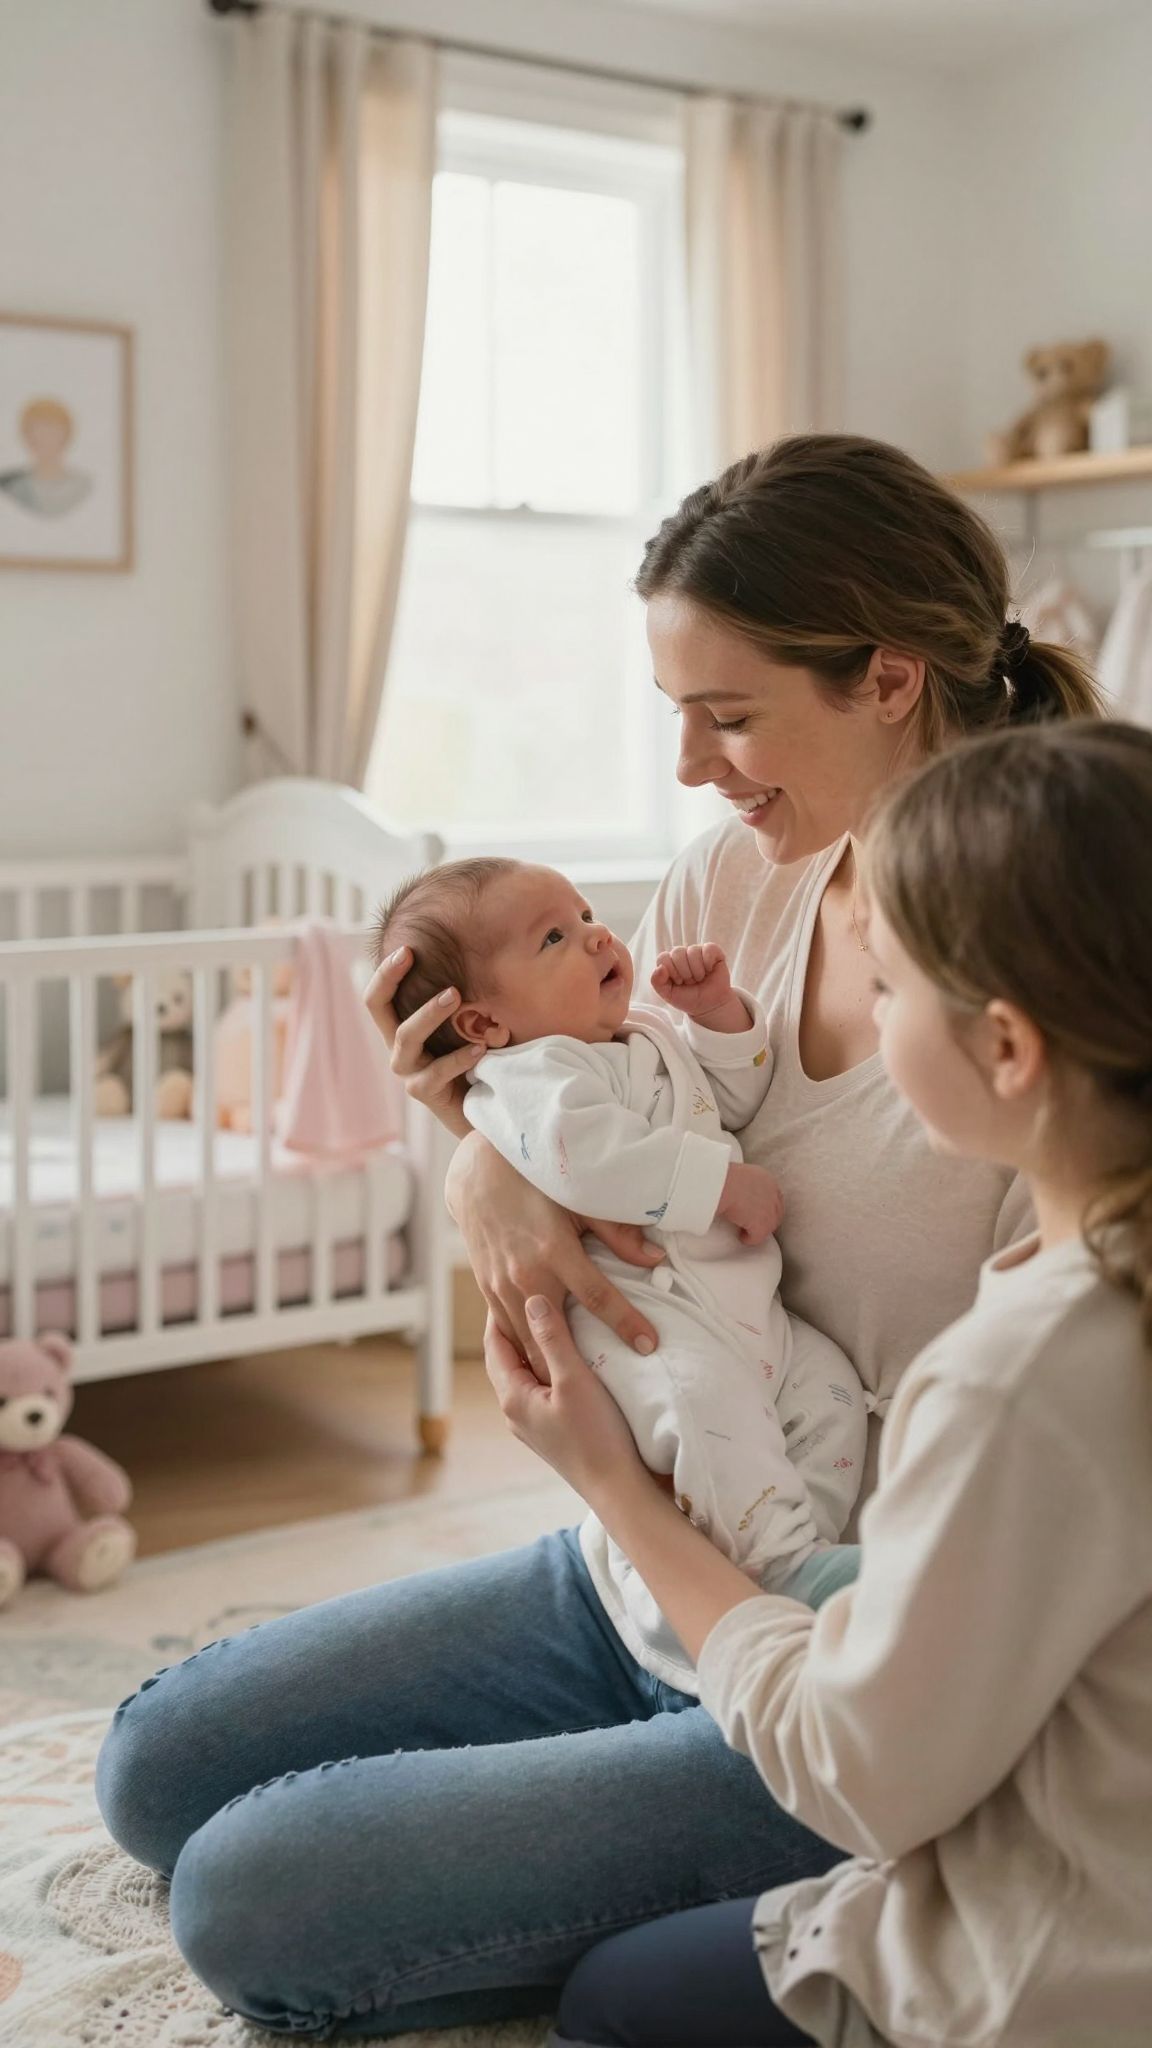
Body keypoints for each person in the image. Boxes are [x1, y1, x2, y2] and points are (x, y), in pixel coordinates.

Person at [95, 436, 1100, 2040]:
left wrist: (624, 1491)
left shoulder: (1037, 987)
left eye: (732, 715)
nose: (697, 768)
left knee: (253, 1898)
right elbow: (600, 1117)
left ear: (892, 677)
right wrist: (476, 1154)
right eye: (677, 716)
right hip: (635, 1551)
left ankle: (782, 1883)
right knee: (157, 1768)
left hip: (843, 1619)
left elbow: (1021, 1488)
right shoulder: (739, 880)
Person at [502, 720, 1152, 2048]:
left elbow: (867, 1778)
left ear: (1012, 1051)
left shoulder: (1022, 1371)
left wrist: (618, 1491)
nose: (693, 752)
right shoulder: (1073, 1294)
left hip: (1033, 1962)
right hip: (841, 1655)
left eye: (896, 994)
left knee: (607, 2005)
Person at [372, 858, 864, 1676]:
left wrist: (716, 1018)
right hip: (648, 1326)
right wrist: (719, 1186)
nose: (598, 934)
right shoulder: (528, 1079)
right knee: (705, 1411)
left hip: (751, 1315)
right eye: (555, 937)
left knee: (831, 1392)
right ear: (483, 1028)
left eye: (587, 912)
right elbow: (586, 1157)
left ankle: (790, 1549)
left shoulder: (642, 1033)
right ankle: (781, 1571)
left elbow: (734, 1102)